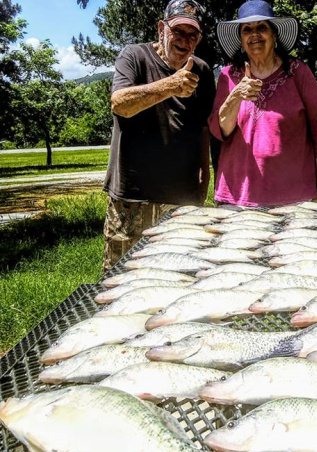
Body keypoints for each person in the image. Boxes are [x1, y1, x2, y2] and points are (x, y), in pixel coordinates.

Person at [103, 0, 215, 271]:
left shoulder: (202, 70)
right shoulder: (134, 56)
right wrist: (170, 86)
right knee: (119, 278)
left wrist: (205, 176)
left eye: (192, 35)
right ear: (161, 29)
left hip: (181, 198)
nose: (185, 40)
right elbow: (120, 104)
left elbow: (203, 128)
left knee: (176, 279)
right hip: (131, 199)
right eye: (178, 32)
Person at [209, 0, 317, 207]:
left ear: (274, 35)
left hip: (294, 196)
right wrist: (235, 96)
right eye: (247, 30)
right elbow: (221, 130)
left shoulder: (298, 73)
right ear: (241, 40)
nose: (255, 35)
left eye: (262, 27)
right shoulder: (228, 75)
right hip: (238, 194)